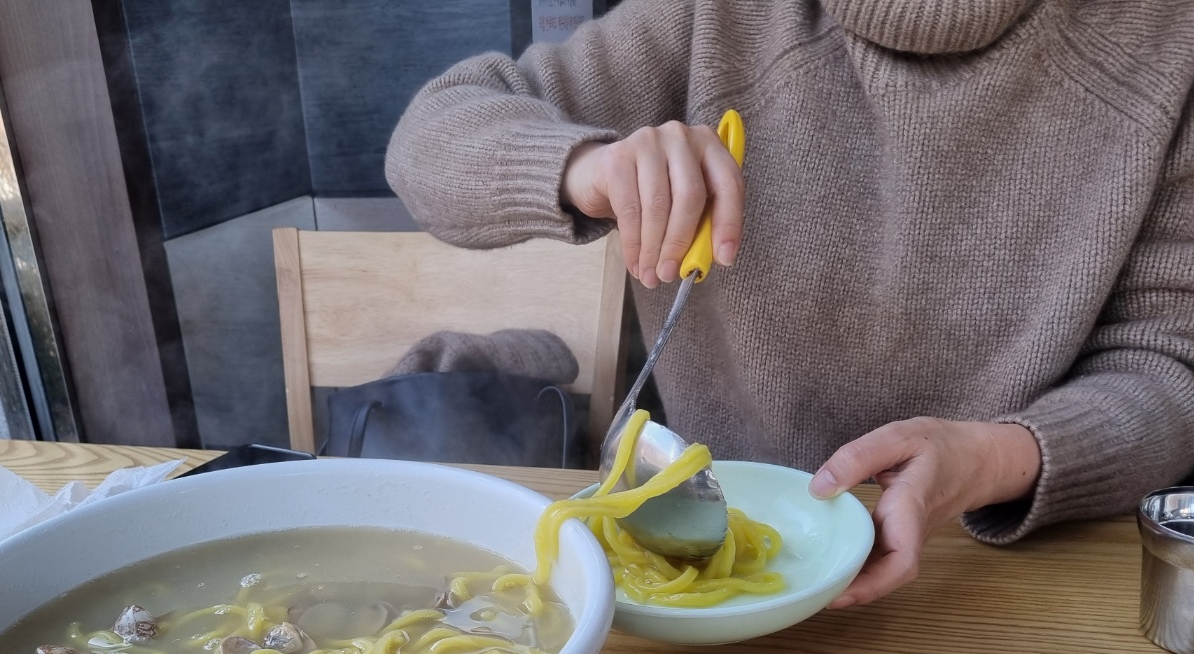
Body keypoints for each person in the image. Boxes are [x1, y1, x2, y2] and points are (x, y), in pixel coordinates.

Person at [385, 0, 1194, 607]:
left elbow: (1168, 368)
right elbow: (429, 138)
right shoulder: (708, 14)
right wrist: (587, 167)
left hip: (998, 575)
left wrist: (995, 458)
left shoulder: (1167, 40)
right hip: (700, 560)